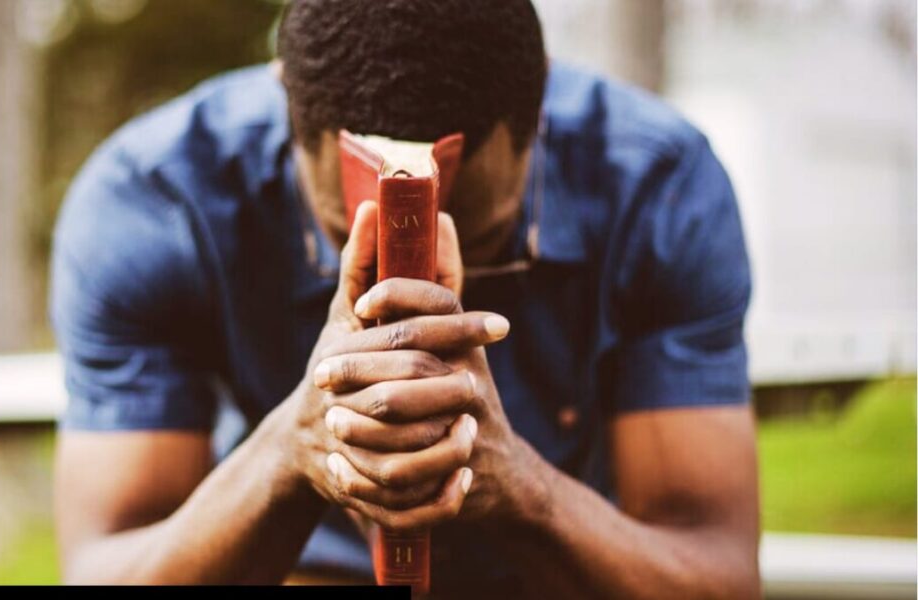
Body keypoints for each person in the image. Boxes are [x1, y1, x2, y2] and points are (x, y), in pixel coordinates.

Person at [48, 0, 760, 596]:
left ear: (537, 106)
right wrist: (293, 452)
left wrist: (523, 489)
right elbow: (106, 567)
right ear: (286, 96)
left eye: (476, 243)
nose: (416, 313)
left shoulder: (657, 187)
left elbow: (717, 572)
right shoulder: (154, 200)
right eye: (346, 237)